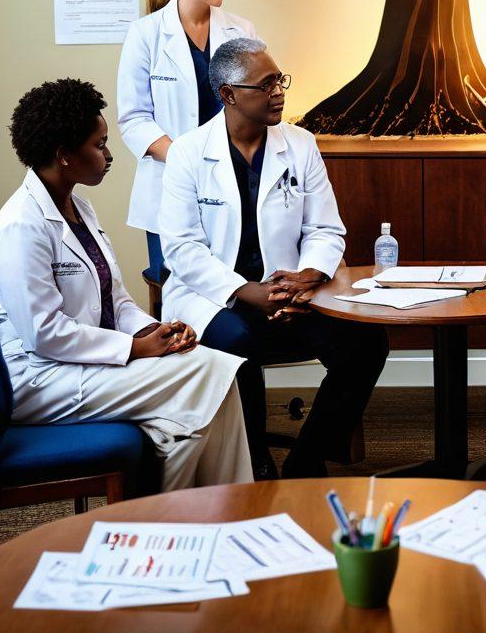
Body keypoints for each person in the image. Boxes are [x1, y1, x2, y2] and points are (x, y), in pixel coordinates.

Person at [0, 79, 253, 492]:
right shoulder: (21, 225)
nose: (109, 155)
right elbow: (43, 334)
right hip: (42, 380)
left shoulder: (79, 206)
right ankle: (231, 505)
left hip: (82, 360)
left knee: (183, 424)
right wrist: (137, 348)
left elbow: (116, 298)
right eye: (99, 145)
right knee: (211, 371)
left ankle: (195, 517)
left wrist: (152, 330)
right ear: (63, 155)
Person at [158, 37, 389, 478]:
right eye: (265, 85)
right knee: (235, 344)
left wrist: (306, 278)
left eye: (279, 80)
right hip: (217, 297)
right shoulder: (189, 154)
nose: (279, 91)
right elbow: (182, 248)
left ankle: (308, 458)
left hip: (294, 294)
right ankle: (254, 465)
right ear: (228, 94)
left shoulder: (300, 144)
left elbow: (325, 229)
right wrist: (248, 292)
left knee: (365, 343)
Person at [117, 0, 259, 277]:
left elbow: (256, 106)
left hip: (232, 181)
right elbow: (134, 119)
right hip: (167, 186)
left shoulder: (242, 31)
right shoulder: (146, 34)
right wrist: (185, 160)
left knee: (229, 289)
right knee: (178, 293)